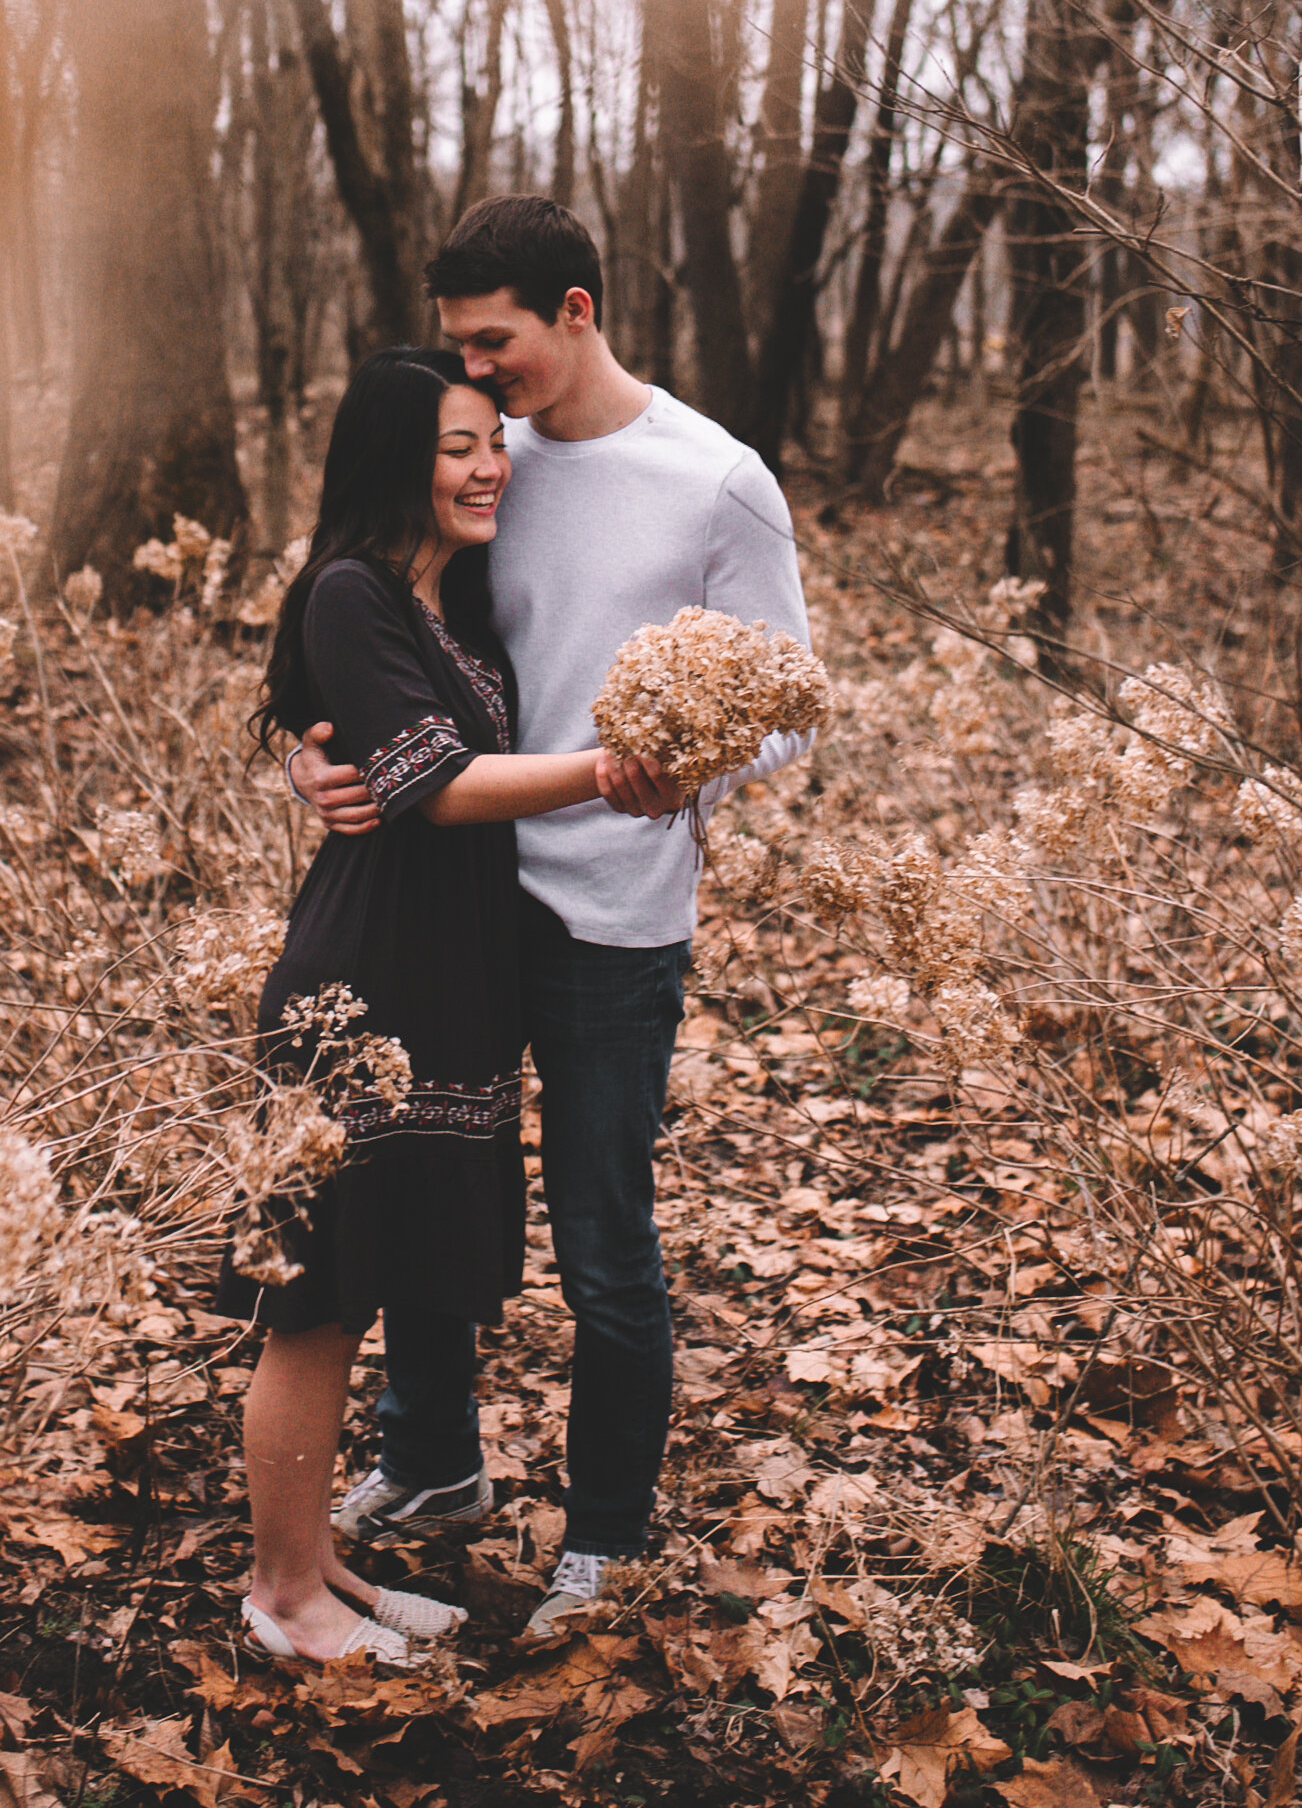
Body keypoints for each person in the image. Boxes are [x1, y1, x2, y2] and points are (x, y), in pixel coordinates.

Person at [292, 199, 814, 1637]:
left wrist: (681, 767)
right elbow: (379, 636)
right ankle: (432, 1463)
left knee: (603, 1244)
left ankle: (604, 1534)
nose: (477, 371)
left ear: (574, 312)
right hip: (451, 903)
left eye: (494, 341)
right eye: (462, 348)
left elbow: (787, 717)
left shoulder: (715, 483)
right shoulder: (481, 464)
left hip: (613, 919)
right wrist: (316, 752)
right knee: (426, 1201)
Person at [221, 346, 674, 1668]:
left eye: (492, 444)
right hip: (361, 984)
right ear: (390, 463)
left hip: (445, 981)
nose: (487, 469)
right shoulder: (353, 592)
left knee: (363, 1283)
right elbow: (433, 779)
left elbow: (346, 732)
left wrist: (310, 750)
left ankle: (320, 1570)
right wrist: (601, 772)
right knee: (314, 1299)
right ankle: (280, 1596)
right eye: (454, 447)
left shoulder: (454, 603)